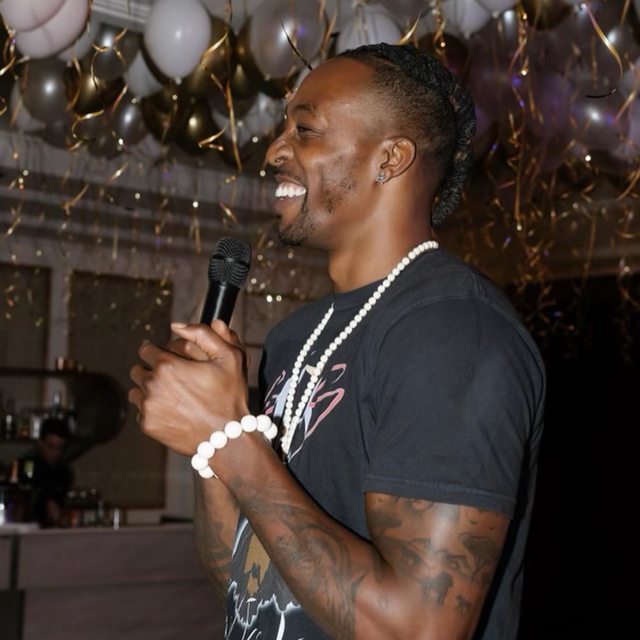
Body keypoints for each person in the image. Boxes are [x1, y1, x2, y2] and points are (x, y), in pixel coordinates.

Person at [129, 43, 545, 639]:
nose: (274, 151)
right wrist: (210, 443)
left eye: (304, 130)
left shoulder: (454, 333)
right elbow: (246, 589)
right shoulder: (296, 336)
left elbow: (418, 629)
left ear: (390, 158)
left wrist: (231, 439)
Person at [20, 416, 74, 527]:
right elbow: (23, 498)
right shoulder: (28, 465)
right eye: (50, 446)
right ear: (40, 443)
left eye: (60, 447)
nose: (55, 453)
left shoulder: (63, 471)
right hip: (28, 528)